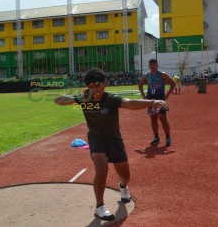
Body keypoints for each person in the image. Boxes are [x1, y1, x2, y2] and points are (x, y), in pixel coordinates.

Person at [54, 67, 169, 221]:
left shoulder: (111, 99)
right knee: (102, 169)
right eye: (91, 86)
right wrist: (77, 98)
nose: (94, 89)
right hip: (96, 139)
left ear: (105, 84)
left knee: (125, 177)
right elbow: (58, 100)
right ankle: (99, 207)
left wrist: (153, 101)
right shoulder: (85, 98)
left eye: (97, 85)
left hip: (114, 140)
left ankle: (122, 187)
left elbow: (130, 103)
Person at [138, 58, 175, 147]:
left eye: (154, 65)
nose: (152, 66)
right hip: (151, 101)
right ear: (149, 66)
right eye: (151, 65)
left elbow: (173, 84)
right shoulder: (147, 76)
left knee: (163, 119)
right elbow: (140, 84)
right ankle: (156, 137)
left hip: (160, 100)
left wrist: (167, 96)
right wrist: (144, 96)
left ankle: (168, 138)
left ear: (157, 65)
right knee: (153, 119)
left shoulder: (162, 75)